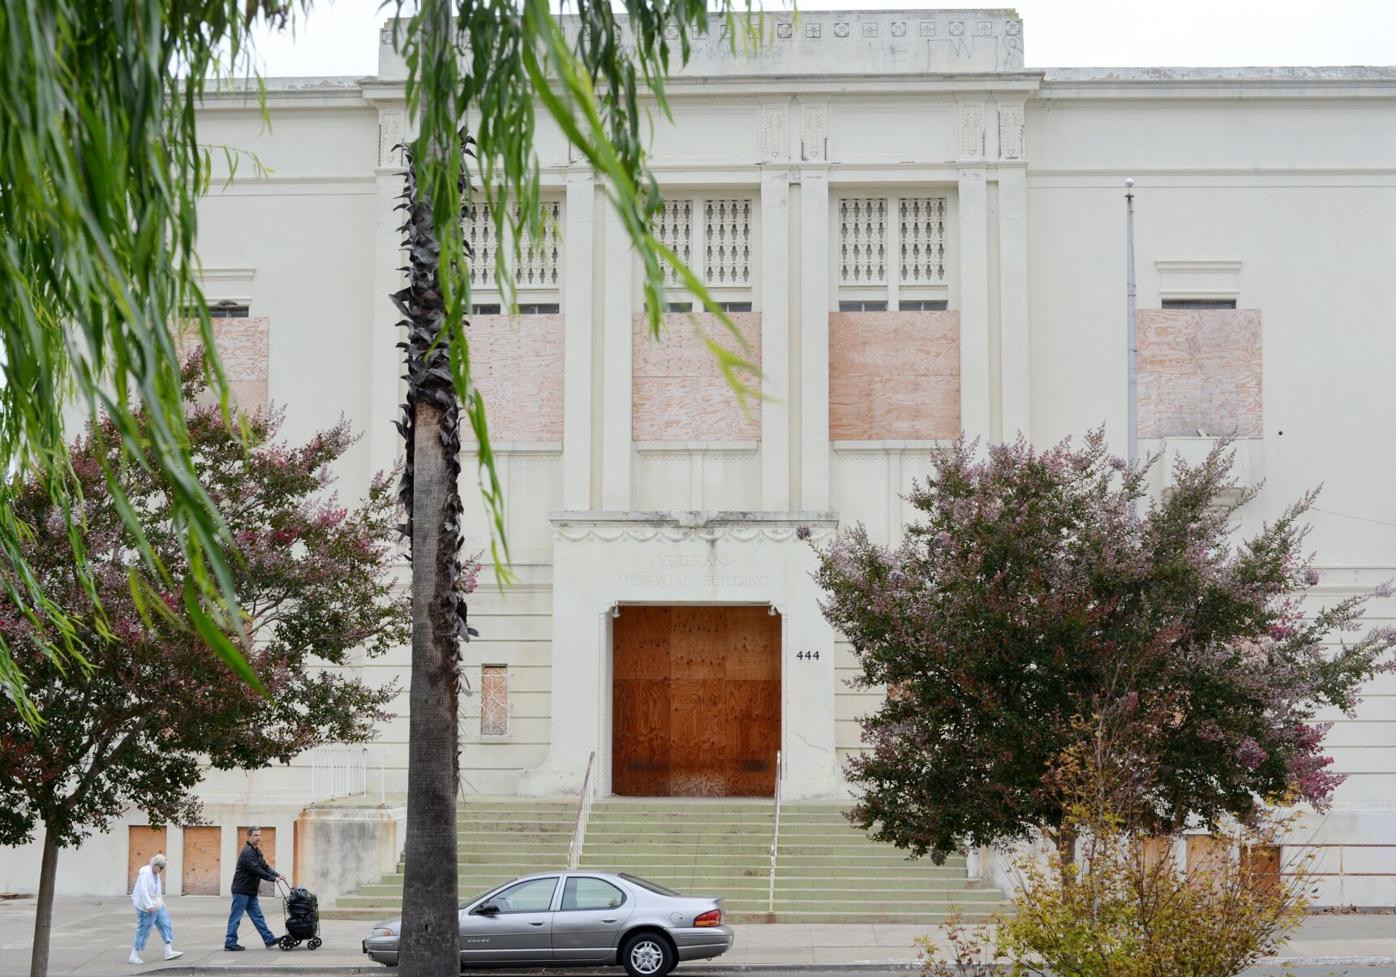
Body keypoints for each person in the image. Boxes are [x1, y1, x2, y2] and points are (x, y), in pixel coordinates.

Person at [224, 826, 285, 951]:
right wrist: (272, 878)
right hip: (241, 890)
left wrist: (277, 874)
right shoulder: (247, 853)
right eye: (255, 835)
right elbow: (256, 870)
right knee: (236, 917)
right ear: (249, 836)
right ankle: (230, 942)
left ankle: (268, 939)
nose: (258, 838)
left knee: (257, 916)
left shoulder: (257, 851)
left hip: (250, 890)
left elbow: (265, 867)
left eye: (259, 835)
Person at [129, 853, 182, 965]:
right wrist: (149, 905)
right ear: (156, 865)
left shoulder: (155, 873)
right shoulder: (145, 873)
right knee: (144, 929)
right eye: (161, 868)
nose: (162, 870)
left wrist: (161, 902)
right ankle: (134, 954)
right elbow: (144, 891)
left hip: (157, 905)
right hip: (145, 907)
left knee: (165, 924)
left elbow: (157, 890)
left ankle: (168, 951)